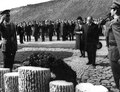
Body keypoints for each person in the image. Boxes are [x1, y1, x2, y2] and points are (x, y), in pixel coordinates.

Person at [107, 0, 120, 89]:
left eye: (111, 9)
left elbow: (119, 40)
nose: (110, 11)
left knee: (117, 75)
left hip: (115, 52)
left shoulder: (115, 23)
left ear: (115, 10)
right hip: (114, 50)